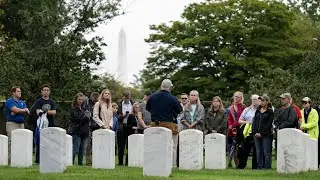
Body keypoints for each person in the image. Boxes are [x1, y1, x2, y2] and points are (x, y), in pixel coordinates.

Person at [146, 79, 182, 167]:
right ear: (170, 87)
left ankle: (155, 163)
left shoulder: (152, 97)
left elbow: (148, 108)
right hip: (169, 124)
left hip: (155, 124)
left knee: (155, 145)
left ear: (161, 86)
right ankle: (172, 164)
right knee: (172, 146)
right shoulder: (173, 98)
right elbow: (179, 110)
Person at [33, 84, 57, 164]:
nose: (46, 91)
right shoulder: (39, 101)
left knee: (50, 142)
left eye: (47, 90)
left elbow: (54, 112)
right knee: (39, 142)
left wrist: (45, 111)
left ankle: (49, 159)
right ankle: (38, 160)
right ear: (42, 91)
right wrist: (46, 111)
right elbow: (38, 112)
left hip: (50, 124)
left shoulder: (52, 102)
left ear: (49, 92)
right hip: (41, 125)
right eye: (44, 90)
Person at [5, 86, 30, 163]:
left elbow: (28, 112)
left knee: (21, 141)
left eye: (20, 91)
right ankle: (10, 160)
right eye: (18, 91)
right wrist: (23, 110)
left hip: (21, 124)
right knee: (11, 142)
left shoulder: (22, 102)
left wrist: (19, 111)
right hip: (12, 124)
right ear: (13, 93)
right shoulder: (9, 101)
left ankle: (20, 159)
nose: (20, 93)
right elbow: (16, 110)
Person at [236, 94, 260, 169]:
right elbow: (239, 120)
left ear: (259, 100)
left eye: (255, 99)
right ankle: (242, 165)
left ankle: (255, 167)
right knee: (244, 149)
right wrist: (247, 122)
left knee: (256, 150)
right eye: (253, 99)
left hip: (256, 131)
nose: (254, 101)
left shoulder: (261, 109)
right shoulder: (247, 109)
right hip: (246, 132)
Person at [68, 93, 90, 165]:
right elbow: (76, 118)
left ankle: (80, 163)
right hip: (76, 131)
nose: (80, 101)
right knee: (75, 148)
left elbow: (88, 120)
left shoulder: (84, 108)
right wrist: (85, 116)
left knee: (82, 149)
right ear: (76, 100)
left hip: (84, 131)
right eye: (79, 99)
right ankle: (71, 162)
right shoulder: (73, 108)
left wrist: (88, 117)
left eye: (82, 99)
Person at [252, 95, 274, 169]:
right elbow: (254, 122)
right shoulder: (257, 110)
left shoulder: (270, 111)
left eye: (263, 100)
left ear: (267, 101)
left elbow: (269, 124)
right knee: (259, 152)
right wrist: (255, 132)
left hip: (266, 135)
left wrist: (261, 133)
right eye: (260, 100)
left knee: (266, 152)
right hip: (256, 134)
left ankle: (267, 167)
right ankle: (259, 167)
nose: (261, 102)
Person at [227, 91, 246, 168]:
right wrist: (230, 125)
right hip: (232, 130)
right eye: (235, 96)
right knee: (232, 147)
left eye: (238, 97)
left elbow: (243, 118)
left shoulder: (244, 107)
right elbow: (229, 119)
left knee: (240, 147)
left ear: (241, 98)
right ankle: (233, 163)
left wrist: (235, 124)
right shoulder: (230, 108)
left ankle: (240, 164)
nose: (236, 98)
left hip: (241, 128)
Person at [85, 92, 99, 166]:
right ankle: (88, 161)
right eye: (94, 100)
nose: (95, 101)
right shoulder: (87, 103)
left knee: (96, 144)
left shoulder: (99, 104)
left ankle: (97, 160)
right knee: (88, 144)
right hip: (89, 125)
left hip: (97, 125)